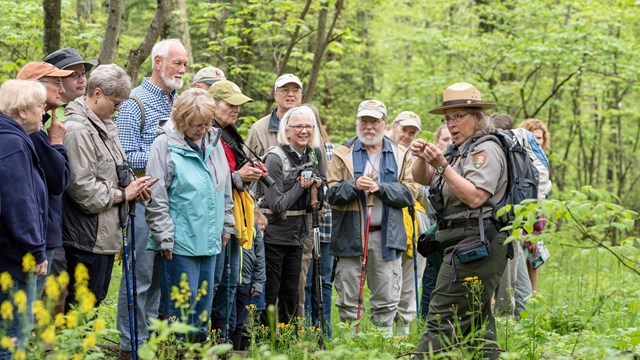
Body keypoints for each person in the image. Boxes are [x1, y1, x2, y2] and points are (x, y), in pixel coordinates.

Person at [411, 82, 508, 358]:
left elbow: (475, 197)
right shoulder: (458, 151)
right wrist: (423, 158)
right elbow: (423, 178)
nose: (452, 124)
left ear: (477, 117)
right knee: (478, 324)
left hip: (479, 244)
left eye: (458, 116)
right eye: (447, 118)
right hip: (460, 244)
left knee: (441, 316)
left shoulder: (485, 150)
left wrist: (441, 165)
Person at [114, 38, 188, 358]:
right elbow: (125, 155)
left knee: (160, 280)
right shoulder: (135, 102)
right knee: (138, 278)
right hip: (142, 205)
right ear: (158, 62)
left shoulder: (181, 103)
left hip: (173, 207)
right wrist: (168, 156)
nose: (182, 69)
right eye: (177, 63)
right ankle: (131, 344)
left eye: (185, 64)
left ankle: (150, 342)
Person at [145, 88, 234, 342]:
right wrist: (163, 236)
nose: (203, 129)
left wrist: (227, 225)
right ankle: (178, 353)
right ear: (182, 121)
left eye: (207, 123)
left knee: (203, 311)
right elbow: (156, 195)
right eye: (197, 125)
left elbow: (223, 188)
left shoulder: (215, 141)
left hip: (211, 240)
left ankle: (198, 354)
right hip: (180, 243)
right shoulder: (165, 144)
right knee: (181, 314)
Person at [62, 64, 153, 311]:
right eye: (116, 102)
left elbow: (115, 172)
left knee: (94, 302)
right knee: (80, 307)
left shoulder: (106, 126)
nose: (119, 108)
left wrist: (134, 186)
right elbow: (82, 189)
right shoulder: (78, 130)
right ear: (98, 93)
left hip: (104, 236)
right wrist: (124, 194)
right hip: (85, 239)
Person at [327, 100, 419, 335]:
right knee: (348, 297)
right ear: (358, 122)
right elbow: (331, 193)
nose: (369, 126)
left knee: (387, 297)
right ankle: (350, 347)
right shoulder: (342, 153)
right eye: (364, 121)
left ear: (384, 123)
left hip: (387, 235)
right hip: (350, 235)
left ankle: (383, 346)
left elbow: (410, 192)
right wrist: (354, 185)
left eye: (375, 121)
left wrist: (380, 188)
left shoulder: (400, 153)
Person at [258, 106, 326, 325]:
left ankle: (287, 343)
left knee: (291, 294)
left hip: (298, 235)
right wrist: (301, 185)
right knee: (271, 292)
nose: (304, 131)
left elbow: (320, 199)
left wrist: (317, 186)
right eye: (298, 126)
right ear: (287, 131)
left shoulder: (313, 154)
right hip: (274, 236)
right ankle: (264, 342)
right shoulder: (275, 158)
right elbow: (277, 204)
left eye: (308, 126)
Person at [207, 80, 262, 342]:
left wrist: (247, 175)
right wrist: (239, 176)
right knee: (217, 281)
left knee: (230, 280)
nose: (236, 110)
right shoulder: (206, 133)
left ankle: (224, 339)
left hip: (233, 216)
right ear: (212, 104)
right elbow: (208, 180)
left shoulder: (230, 133)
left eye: (239, 105)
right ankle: (210, 340)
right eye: (231, 104)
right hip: (214, 218)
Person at [0, 80, 49, 359]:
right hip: (14, 258)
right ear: (21, 111)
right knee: (12, 338)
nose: (44, 113)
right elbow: (20, 204)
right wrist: (35, 250)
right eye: (40, 106)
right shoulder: (13, 145)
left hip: (8, 254)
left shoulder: (11, 139)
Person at [16, 62, 73, 298]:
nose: (62, 90)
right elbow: (60, 180)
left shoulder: (38, 128)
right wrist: (58, 144)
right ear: (34, 87)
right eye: (56, 84)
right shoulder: (33, 133)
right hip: (38, 237)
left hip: (43, 234)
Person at [387, 110, 427, 335]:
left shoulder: (419, 156)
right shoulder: (380, 152)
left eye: (412, 132)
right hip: (389, 224)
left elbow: (422, 191)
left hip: (415, 223)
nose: (408, 135)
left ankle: (404, 330)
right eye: (404, 130)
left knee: (412, 278)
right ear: (394, 127)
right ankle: (386, 330)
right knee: (390, 278)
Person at [490, 114, 533, 319]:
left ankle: (498, 325)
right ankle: (505, 324)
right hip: (512, 224)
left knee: (497, 282)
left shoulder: (495, 149)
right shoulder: (520, 151)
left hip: (493, 223)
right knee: (508, 284)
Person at [303, 104, 334, 337]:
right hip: (303, 226)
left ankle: (324, 330)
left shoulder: (329, 150)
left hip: (326, 225)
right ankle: (303, 330)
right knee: (305, 282)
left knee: (323, 281)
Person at [419, 125, 452, 318]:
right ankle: (425, 325)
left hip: (456, 234)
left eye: (451, 139)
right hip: (432, 234)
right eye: (445, 139)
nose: (449, 143)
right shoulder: (430, 167)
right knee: (430, 284)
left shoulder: (463, 162)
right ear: (437, 142)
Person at [517, 118, 552, 293]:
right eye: (533, 137)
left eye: (540, 137)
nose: (537, 141)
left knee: (534, 266)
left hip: (538, 224)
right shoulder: (520, 162)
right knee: (518, 270)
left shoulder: (544, 162)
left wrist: (538, 231)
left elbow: (543, 198)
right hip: (523, 226)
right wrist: (528, 232)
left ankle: (533, 306)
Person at [231, 209, 267, 350]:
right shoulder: (230, 223)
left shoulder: (253, 227)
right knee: (230, 319)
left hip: (246, 282)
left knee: (242, 321)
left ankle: (240, 351)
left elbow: (260, 257)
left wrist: (258, 283)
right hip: (230, 282)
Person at [245, 73, 303, 157]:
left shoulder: (310, 127)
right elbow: (247, 165)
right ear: (276, 96)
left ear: (301, 96)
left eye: (295, 90)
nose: (290, 94)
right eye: (285, 90)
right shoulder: (259, 129)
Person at [44, 47, 98, 121]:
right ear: (57, 80)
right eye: (74, 75)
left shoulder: (88, 108)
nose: (82, 80)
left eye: (83, 73)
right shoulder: (47, 114)